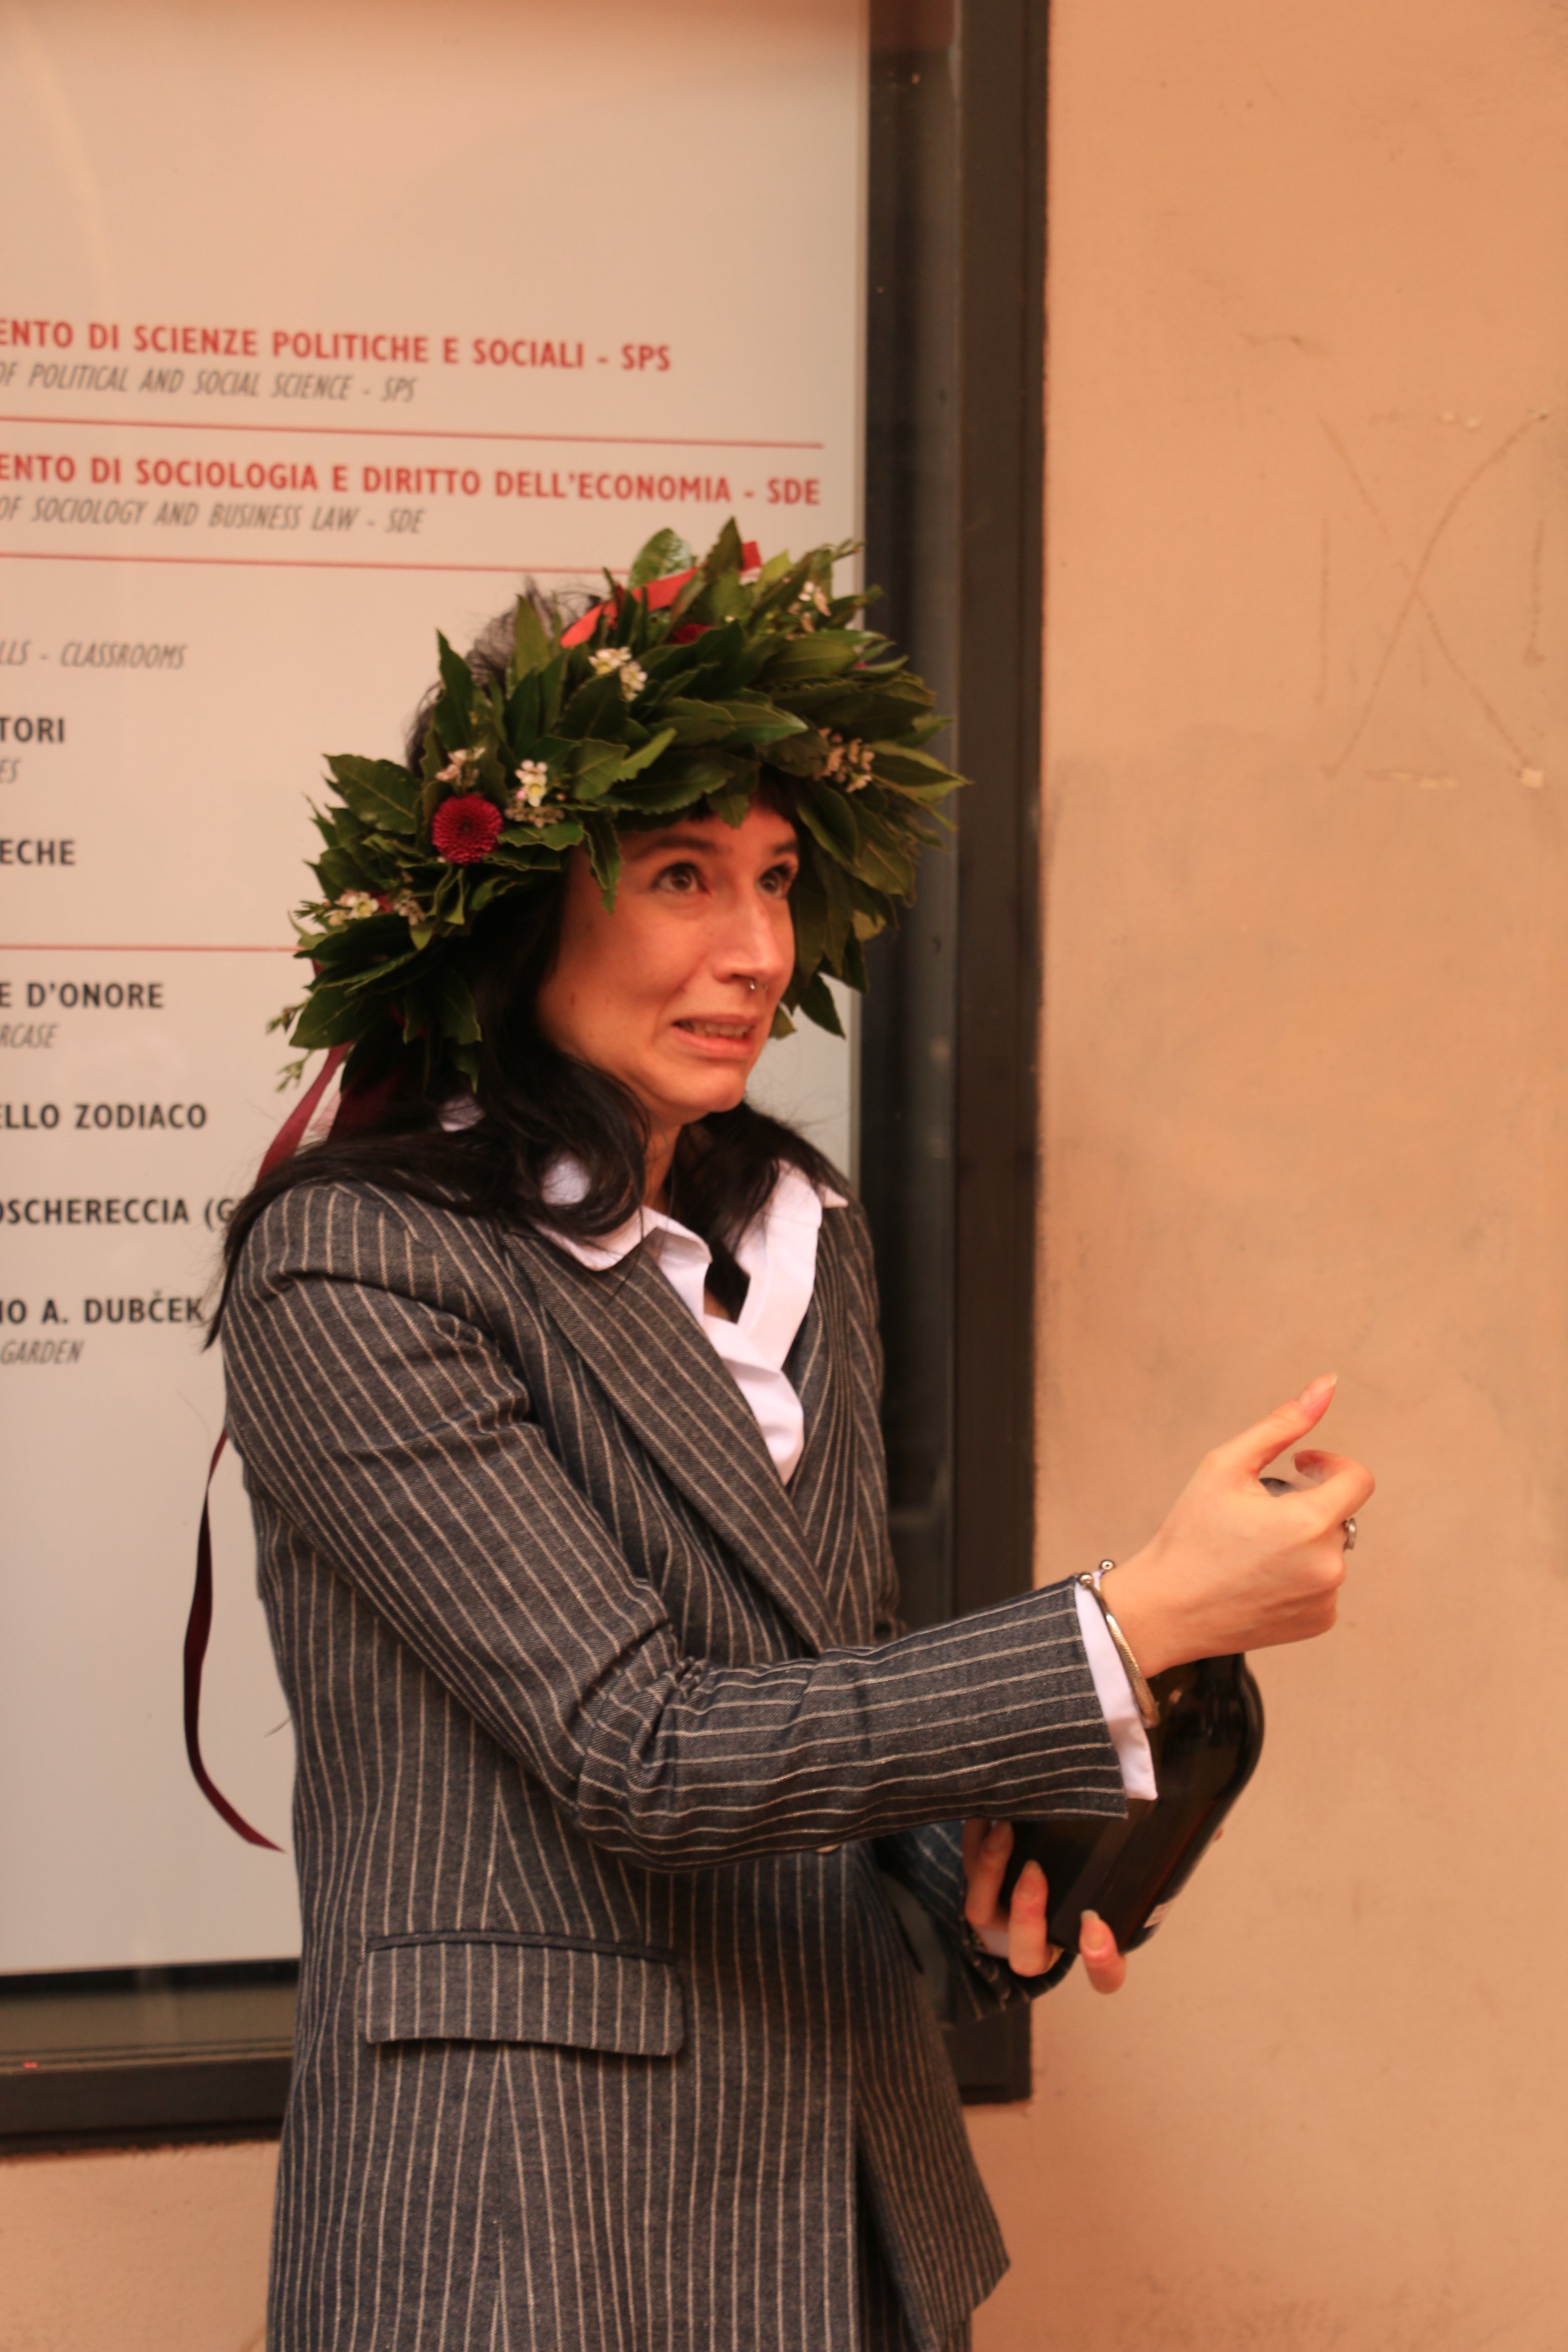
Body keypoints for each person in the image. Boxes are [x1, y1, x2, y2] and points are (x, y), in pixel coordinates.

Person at [209, 527, 1373, 2352]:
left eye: (774, 878)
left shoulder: (795, 1230)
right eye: (680, 875)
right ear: (520, 906)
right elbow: (635, 1747)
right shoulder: (353, 1265)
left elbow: (823, 1687)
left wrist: (977, 1885)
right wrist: (1128, 1619)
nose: (755, 951)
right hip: (525, 2216)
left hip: (846, 2193)